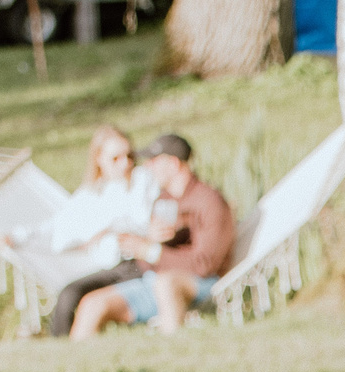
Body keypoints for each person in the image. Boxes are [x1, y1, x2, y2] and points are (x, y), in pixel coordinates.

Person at [68, 134, 237, 338]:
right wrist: (146, 244)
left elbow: (205, 265)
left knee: (166, 284)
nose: (147, 167)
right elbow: (148, 262)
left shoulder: (210, 202)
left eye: (154, 161)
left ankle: (172, 357)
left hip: (200, 284)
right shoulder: (163, 200)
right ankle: (76, 368)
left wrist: (152, 251)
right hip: (155, 281)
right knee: (91, 304)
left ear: (173, 164)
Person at [36, 127, 161, 337]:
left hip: (140, 262)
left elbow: (145, 222)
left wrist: (110, 227)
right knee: (68, 295)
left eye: (129, 156)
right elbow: (57, 229)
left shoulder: (143, 180)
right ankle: (58, 352)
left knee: (87, 301)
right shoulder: (90, 194)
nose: (126, 163)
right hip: (111, 266)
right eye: (116, 158)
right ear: (99, 159)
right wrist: (16, 238)